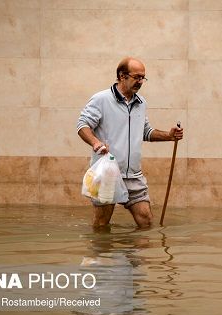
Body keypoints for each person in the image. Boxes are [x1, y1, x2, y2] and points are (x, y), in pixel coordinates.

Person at [77, 57, 184, 229]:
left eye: (143, 78)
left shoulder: (141, 103)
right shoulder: (101, 99)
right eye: (137, 77)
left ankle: (133, 256)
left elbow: (146, 132)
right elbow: (82, 125)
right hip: (107, 174)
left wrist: (169, 136)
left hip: (134, 175)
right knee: (101, 225)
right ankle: (101, 255)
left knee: (146, 221)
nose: (140, 81)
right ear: (122, 76)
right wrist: (96, 142)